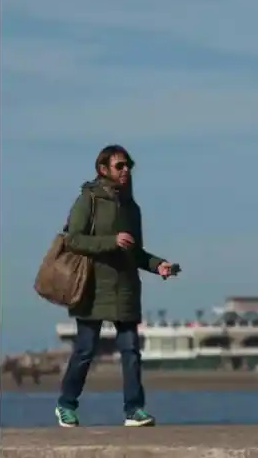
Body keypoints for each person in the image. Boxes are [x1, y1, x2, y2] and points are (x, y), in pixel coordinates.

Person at [53, 145, 180, 428]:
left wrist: (158, 265)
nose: (126, 171)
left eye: (128, 166)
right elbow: (72, 239)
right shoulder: (89, 199)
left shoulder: (132, 207)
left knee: (131, 351)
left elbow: (135, 252)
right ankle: (66, 404)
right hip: (93, 286)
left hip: (125, 289)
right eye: (120, 166)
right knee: (85, 349)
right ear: (103, 169)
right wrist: (110, 241)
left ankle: (134, 410)